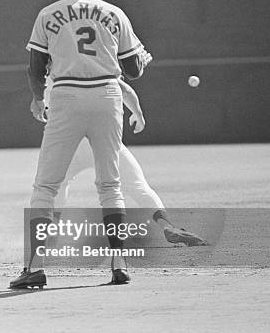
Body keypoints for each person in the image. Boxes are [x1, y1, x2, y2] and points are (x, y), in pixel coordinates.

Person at [10, 0, 152, 289]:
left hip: (66, 97)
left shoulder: (48, 14)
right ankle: (120, 263)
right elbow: (132, 71)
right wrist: (141, 60)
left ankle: (35, 267)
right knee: (111, 185)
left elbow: (35, 69)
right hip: (106, 96)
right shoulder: (115, 13)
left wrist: (36, 99)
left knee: (46, 186)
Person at [55, 78, 208, 247]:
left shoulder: (57, 72)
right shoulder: (98, 66)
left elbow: (40, 94)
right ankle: (168, 227)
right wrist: (138, 114)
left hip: (71, 143)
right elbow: (126, 90)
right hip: (106, 140)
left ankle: (50, 231)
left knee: (56, 184)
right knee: (138, 186)